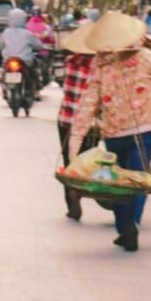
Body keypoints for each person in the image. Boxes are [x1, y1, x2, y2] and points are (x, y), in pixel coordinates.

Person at [67, 10, 151, 252]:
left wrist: (75, 142)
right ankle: (131, 225)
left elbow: (88, 103)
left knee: (118, 185)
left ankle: (125, 227)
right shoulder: (147, 57)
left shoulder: (101, 64)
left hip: (115, 135)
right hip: (143, 131)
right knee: (138, 181)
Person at [55, 23, 95, 221]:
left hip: (66, 119)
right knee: (88, 162)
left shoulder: (70, 62)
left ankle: (72, 204)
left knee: (69, 162)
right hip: (88, 124)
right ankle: (83, 191)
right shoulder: (98, 67)